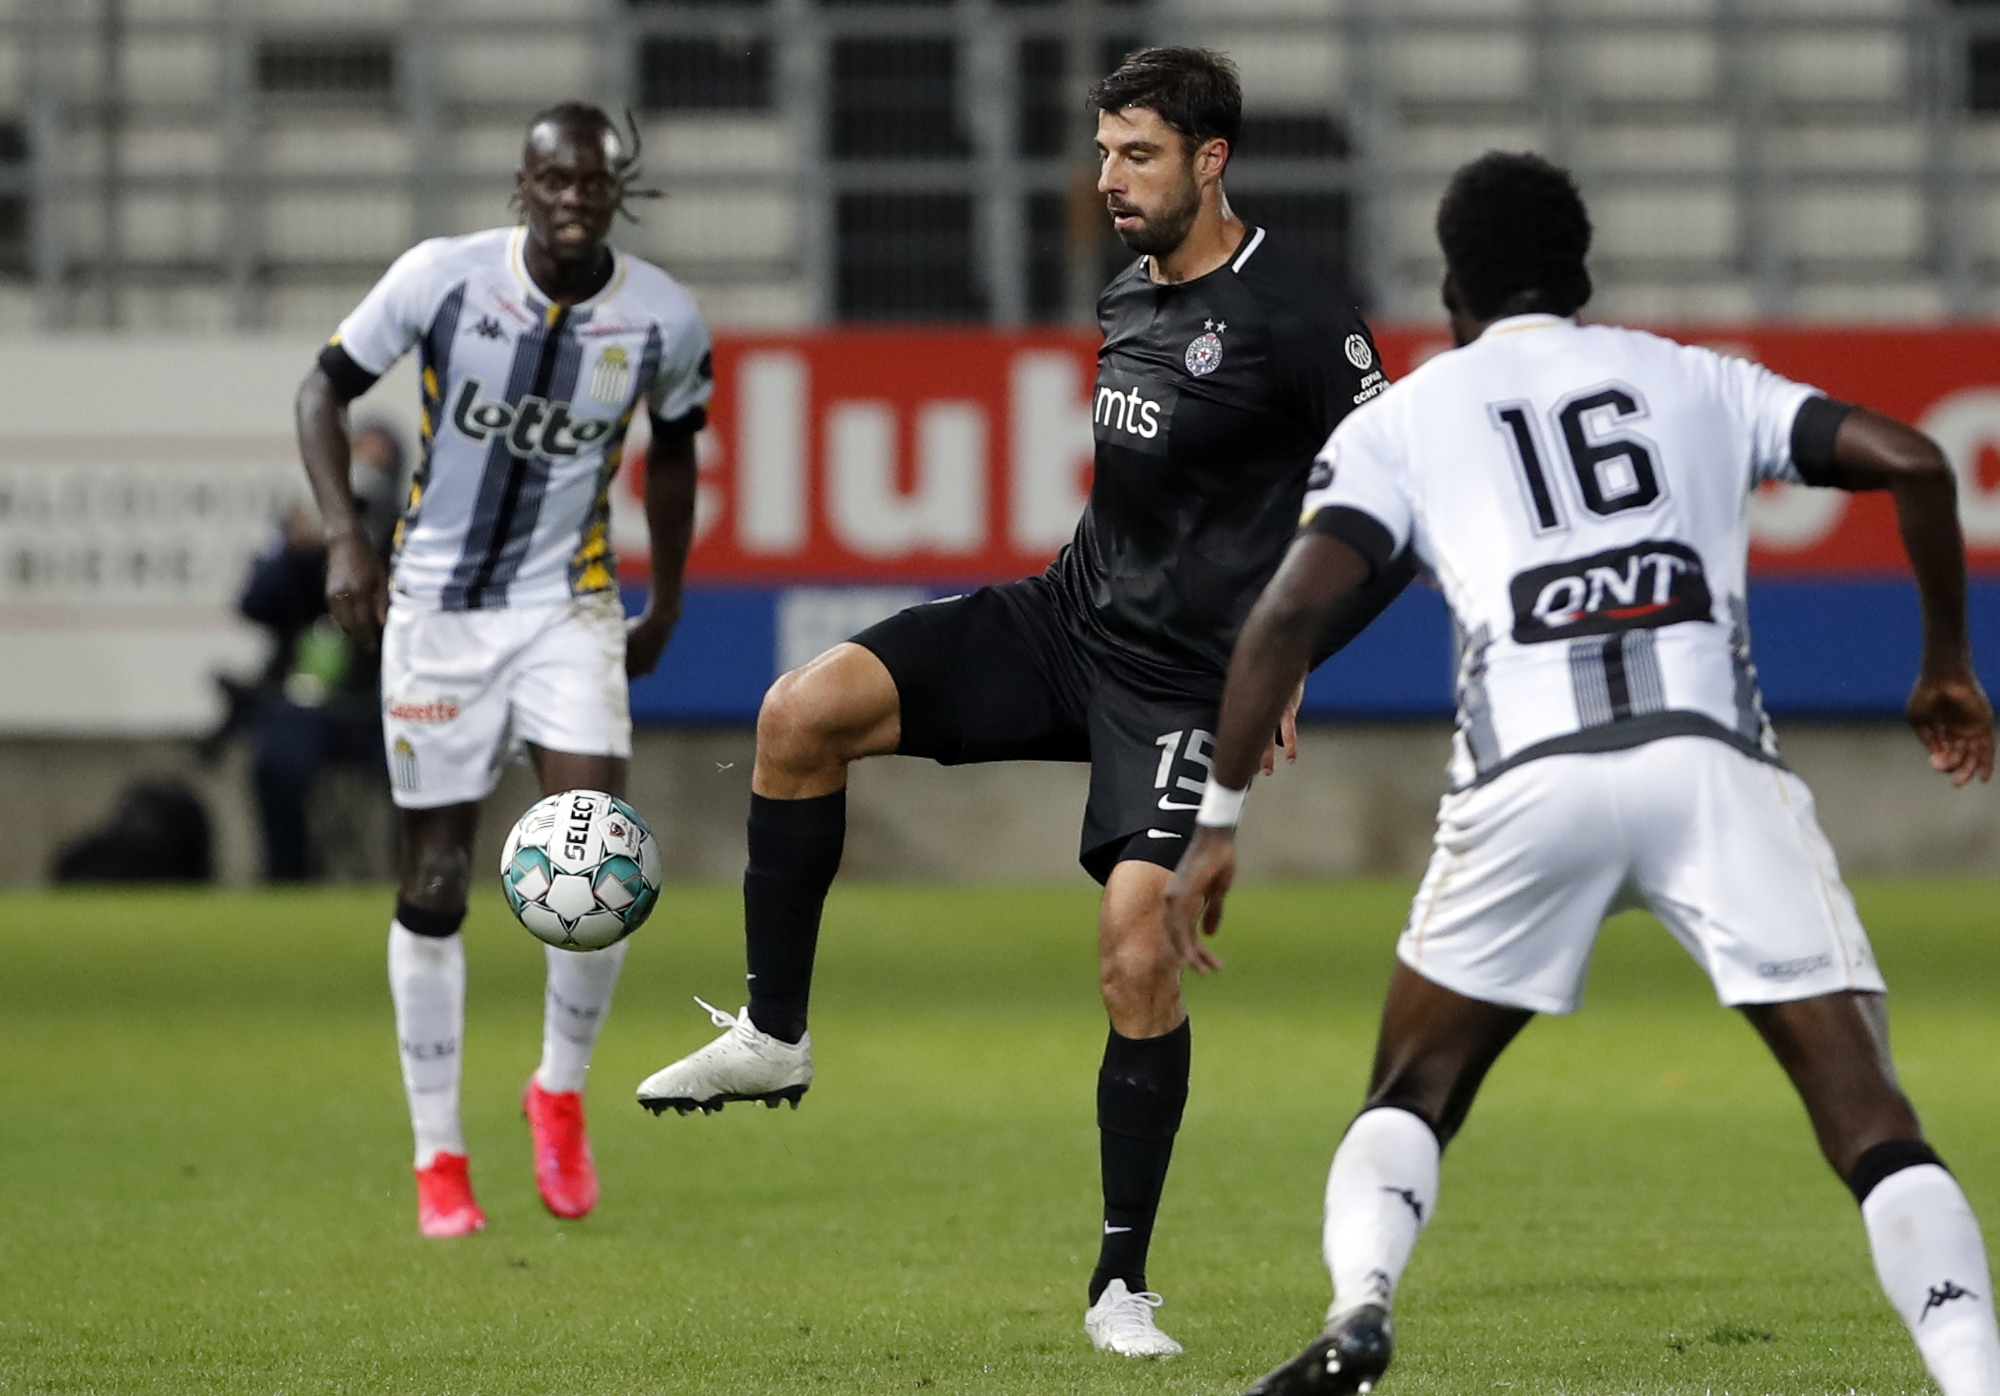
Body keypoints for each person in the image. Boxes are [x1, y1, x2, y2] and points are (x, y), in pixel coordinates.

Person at [1164, 151, 2000, 1396]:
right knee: (1870, 1122)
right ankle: (1972, 1375)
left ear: (1451, 288)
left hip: (1525, 782)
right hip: (1711, 772)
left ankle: (1360, 1306)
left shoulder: (1401, 418)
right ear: (1581, 275)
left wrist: (1217, 823)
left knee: (1410, 1090)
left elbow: (1281, 618)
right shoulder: (1695, 379)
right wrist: (1943, 665)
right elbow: (1918, 463)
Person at [634, 46, 1410, 1357]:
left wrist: (1283, 667)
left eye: (1138, 154)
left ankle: (1121, 1286)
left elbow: (1402, 524)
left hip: (1185, 688)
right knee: (798, 715)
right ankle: (774, 1032)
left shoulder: (1299, 316)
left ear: (1211, 161)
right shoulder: (1125, 291)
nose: (1108, 178)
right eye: (1103, 150)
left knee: (1134, 943)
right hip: (1066, 619)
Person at [295, 101, 712, 1238]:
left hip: (566, 605)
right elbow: (321, 391)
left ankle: (559, 1091)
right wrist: (344, 533)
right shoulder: (440, 279)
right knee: (434, 879)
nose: (573, 199)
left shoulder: (662, 317)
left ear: (614, 193)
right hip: (435, 612)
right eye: (553, 182)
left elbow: (673, 455)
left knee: (598, 858)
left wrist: (666, 593)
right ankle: (439, 1155)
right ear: (521, 188)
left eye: (592, 184)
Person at [238, 421, 404, 882]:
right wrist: (304, 552)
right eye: (357, 461)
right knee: (276, 762)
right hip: (308, 704)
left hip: (385, 703)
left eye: (377, 463)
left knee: (424, 767)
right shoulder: (307, 535)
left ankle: (414, 883)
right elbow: (254, 604)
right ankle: (288, 881)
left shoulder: (414, 534)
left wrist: (382, 546)